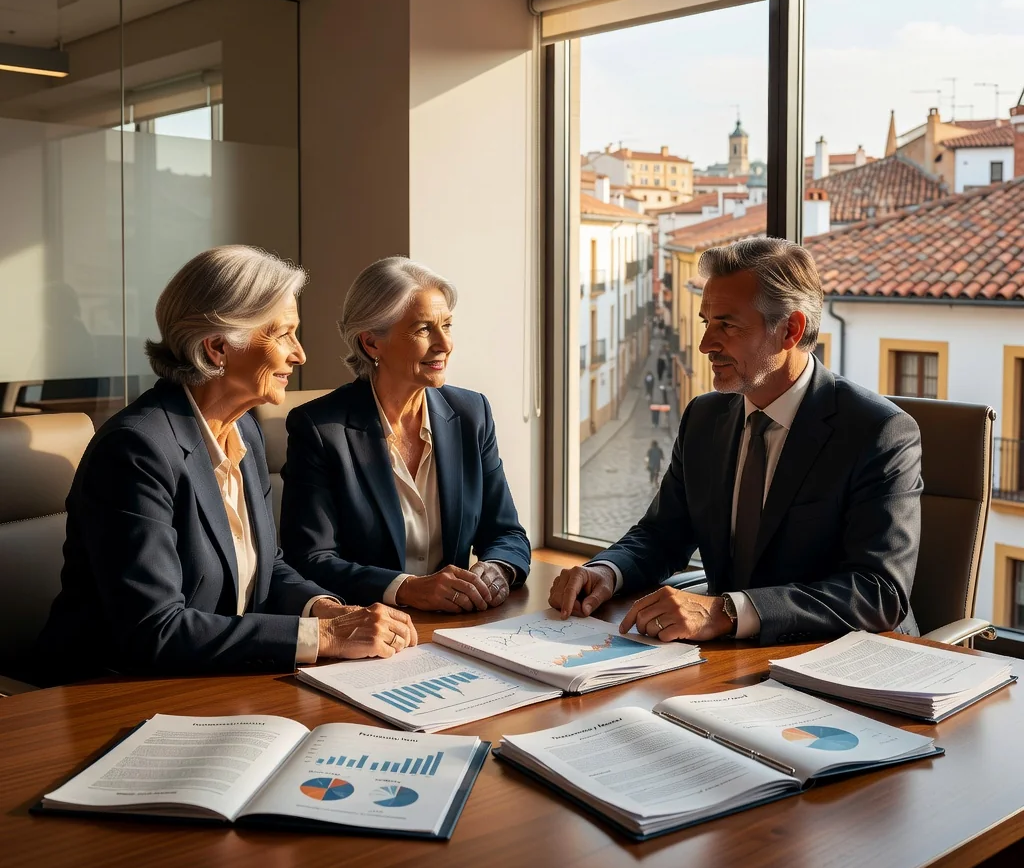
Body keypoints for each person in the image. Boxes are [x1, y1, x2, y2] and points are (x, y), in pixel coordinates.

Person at [35, 246, 417, 685]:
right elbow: (154, 630)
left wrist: (328, 610)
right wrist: (323, 635)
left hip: (216, 682)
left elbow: (267, 567)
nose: (300, 355)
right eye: (283, 335)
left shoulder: (244, 432)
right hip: (110, 694)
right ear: (218, 347)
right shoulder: (135, 450)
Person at [549, 236, 922, 646]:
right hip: (729, 660)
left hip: (841, 665)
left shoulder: (879, 432)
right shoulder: (704, 417)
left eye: (727, 324)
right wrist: (606, 571)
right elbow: (663, 533)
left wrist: (728, 610)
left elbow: (878, 592)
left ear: (790, 330)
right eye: (706, 321)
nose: (706, 343)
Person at [281, 256, 531, 613]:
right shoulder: (320, 429)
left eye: (447, 325)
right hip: (366, 628)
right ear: (371, 344)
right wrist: (407, 589)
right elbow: (309, 558)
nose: (445, 344)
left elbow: (507, 533)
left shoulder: (471, 414)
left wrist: (497, 569)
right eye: (424, 329)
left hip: (458, 625)